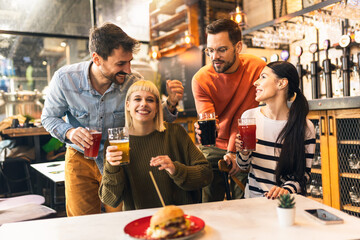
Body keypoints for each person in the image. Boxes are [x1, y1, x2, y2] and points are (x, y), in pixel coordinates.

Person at [41, 23, 184, 216]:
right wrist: (70, 132)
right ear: (97, 59)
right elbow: (49, 117)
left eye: (129, 62)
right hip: (79, 158)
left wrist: (172, 104)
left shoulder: (132, 82)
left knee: (121, 219)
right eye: (120, 64)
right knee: (81, 223)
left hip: (120, 158)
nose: (128, 69)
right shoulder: (65, 79)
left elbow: (153, 118)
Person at [99, 80, 213, 210]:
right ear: (128, 105)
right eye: (137, 99)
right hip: (140, 221)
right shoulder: (117, 142)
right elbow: (110, 199)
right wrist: (112, 167)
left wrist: (176, 169)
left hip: (182, 216)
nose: (143, 104)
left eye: (150, 100)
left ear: (158, 106)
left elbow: (206, 174)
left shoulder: (175, 133)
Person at [192, 19, 266, 202]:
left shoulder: (256, 68)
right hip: (215, 144)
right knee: (207, 193)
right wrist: (203, 131)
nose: (214, 56)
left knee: (247, 196)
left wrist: (233, 152)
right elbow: (209, 123)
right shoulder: (201, 79)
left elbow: (246, 117)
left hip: (246, 139)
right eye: (210, 50)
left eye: (222, 49)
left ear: (238, 47)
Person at [235, 61, 316, 199]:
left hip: (286, 204)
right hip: (253, 202)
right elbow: (243, 166)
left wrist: (285, 190)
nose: (256, 83)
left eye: (263, 77)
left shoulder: (305, 127)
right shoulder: (249, 117)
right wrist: (243, 153)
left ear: (281, 83)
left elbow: (303, 175)